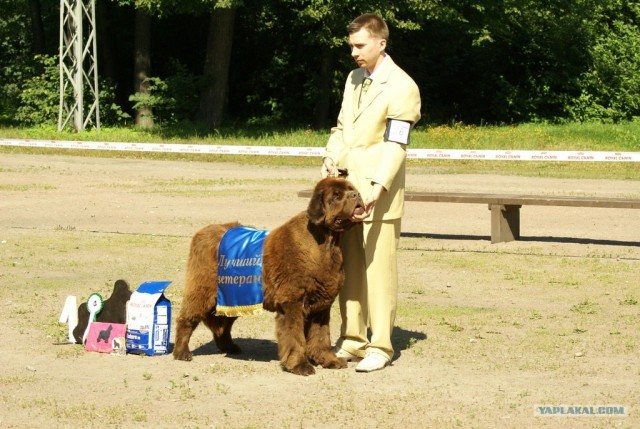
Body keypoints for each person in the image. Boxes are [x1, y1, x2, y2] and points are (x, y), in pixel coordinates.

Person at [321, 13, 421, 372]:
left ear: (381, 43)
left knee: (379, 272)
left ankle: (380, 345)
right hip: (346, 195)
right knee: (349, 270)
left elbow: (396, 145)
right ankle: (352, 340)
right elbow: (342, 126)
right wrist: (331, 157)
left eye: (359, 46)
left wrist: (379, 185)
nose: (353, 53)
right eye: (350, 46)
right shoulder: (353, 79)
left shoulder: (403, 87)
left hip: (380, 193)